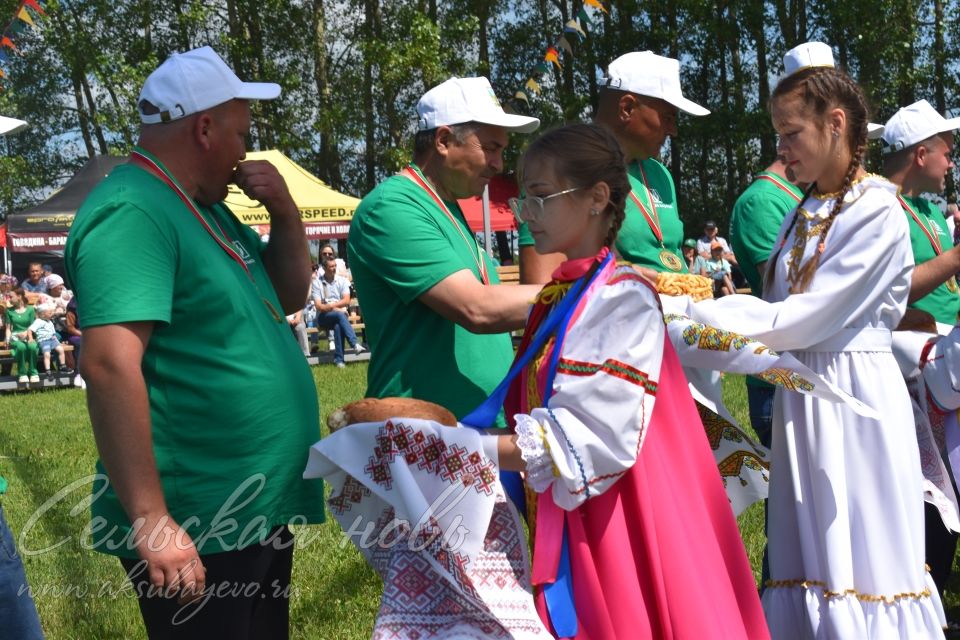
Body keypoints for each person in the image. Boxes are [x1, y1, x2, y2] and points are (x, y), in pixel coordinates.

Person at [668, 61, 946, 638]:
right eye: (779, 135)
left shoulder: (876, 208)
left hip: (853, 396)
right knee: (806, 554)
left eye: (791, 133)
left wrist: (685, 318)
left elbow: (802, 319)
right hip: (804, 396)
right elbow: (777, 306)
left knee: (860, 554)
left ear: (836, 123)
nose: (782, 148)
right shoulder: (801, 210)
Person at [65, 46, 325, 638]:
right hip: (200, 517)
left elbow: (286, 298)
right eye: (241, 132)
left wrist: (285, 213)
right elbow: (107, 365)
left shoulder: (206, 208)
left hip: (247, 505)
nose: (245, 150)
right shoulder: (134, 209)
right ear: (204, 128)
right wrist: (153, 520)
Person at [494, 123, 767, 638]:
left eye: (539, 198)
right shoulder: (567, 295)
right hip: (581, 504)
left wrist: (463, 449)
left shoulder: (618, 298)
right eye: (523, 202)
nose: (526, 216)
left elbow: (589, 440)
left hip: (621, 511)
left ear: (597, 197)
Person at [348, 76, 542, 420]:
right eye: (491, 148)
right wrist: (585, 291)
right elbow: (476, 309)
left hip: (469, 434)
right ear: (443, 140)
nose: (499, 164)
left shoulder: (445, 206)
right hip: (424, 443)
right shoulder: (391, 208)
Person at [881, 99, 960, 607]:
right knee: (930, 489)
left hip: (943, 358)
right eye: (947, 153)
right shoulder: (880, 206)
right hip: (908, 365)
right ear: (921, 153)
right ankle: (921, 597)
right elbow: (883, 290)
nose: (951, 162)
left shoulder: (928, 207)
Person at [594, 51, 709, 273]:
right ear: (626, 108)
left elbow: (673, 256)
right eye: (667, 117)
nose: (674, 131)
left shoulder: (660, 173)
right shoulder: (569, 169)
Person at [311, 257, 362, 367]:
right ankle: (354, 343)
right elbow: (319, 306)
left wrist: (330, 305)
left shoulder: (342, 280)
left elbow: (347, 300)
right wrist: (336, 308)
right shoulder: (317, 283)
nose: (334, 268)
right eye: (331, 266)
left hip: (339, 315)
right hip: (323, 317)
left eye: (335, 266)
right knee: (339, 315)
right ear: (324, 268)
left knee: (338, 325)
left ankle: (339, 360)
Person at [5, 288, 39, 385]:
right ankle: (22, 373)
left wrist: (26, 333)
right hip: (15, 337)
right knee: (21, 347)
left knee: (32, 346)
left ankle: (33, 372)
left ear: (19, 297)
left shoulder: (30, 310)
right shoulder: (9, 311)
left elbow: (34, 326)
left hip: (29, 335)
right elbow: (8, 328)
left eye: (11, 297)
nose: (9, 299)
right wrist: (7, 340)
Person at [29, 304, 70, 377]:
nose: (52, 314)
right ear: (43, 314)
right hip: (44, 341)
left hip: (52, 340)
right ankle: (48, 370)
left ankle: (62, 366)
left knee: (60, 349)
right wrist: (30, 338)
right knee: (47, 354)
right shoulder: (38, 321)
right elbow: (30, 329)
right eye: (49, 313)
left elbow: (53, 334)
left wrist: (58, 342)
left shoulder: (50, 321)